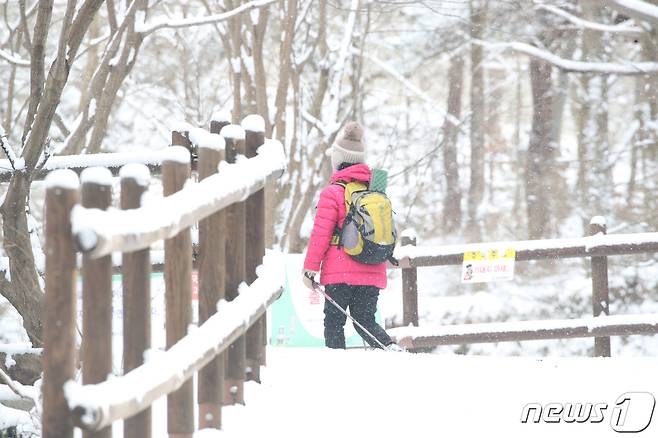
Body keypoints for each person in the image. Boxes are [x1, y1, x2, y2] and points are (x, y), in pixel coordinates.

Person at [301, 121, 404, 352]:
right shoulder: (376, 191)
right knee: (365, 320)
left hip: (339, 271)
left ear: (337, 161)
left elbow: (321, 234)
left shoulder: (333, 192)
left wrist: (309, 269)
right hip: (373, 267)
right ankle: (390, 350)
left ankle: (336, 369)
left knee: (334, 323)